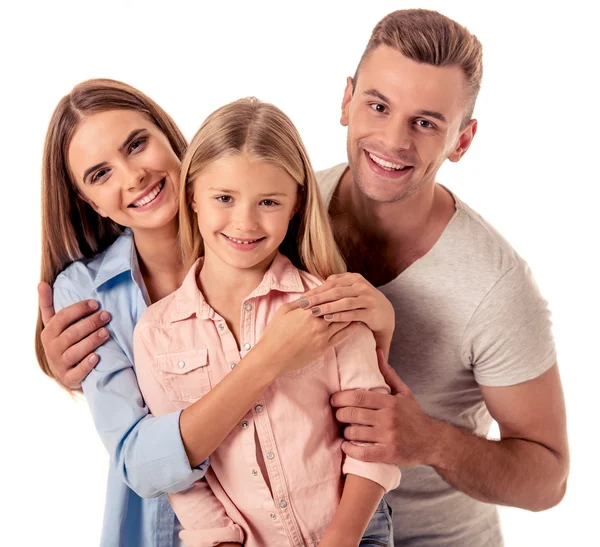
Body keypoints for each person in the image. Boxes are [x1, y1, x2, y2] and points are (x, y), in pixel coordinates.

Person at [35, 79, 388, 547]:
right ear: (89, 200)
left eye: (137, 144)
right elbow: (142, 463)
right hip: (163, 529)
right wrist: (268, 358)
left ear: (171, 137)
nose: (133, 176)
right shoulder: (87, 293)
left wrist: (383, 320)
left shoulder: (280, 232)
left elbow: (366, 411)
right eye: (100, 174)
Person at [296, 8, 569, 546]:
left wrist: (430, 443)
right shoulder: (281, 214)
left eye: (425, 123)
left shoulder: (496, 288)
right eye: (378, 106)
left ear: (461, 142)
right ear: (346, 101)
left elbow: (549, 479)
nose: (393, 141)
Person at [133, 97, 400, 547]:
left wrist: (340, 539)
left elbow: (371, 441)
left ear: (297, 203)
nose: (245, 222)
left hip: (353, 535)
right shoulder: (158, 332)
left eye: (269, 202)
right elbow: (185, 477)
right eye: (224, 198)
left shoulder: (327, 303)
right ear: (192, 194)